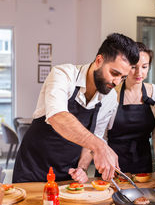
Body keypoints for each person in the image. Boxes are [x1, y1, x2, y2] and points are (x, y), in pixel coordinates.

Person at [12, 33, 139, 183]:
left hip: (67, 173)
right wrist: (101, 147)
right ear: (99, 61)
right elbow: (58, 116)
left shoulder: (110, 98)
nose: (117, 82)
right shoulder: (62, 75)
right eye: (114, 73)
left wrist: (82, 168)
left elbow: (94, 137)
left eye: (123, 77)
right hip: (32, 169)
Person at [107, 42, 155, 180]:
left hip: (143, 163)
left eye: (144, 67)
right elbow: (101, 135)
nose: (139, 73)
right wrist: (104, 160)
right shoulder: (111, 93)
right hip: (112, 165)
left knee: (142, 199)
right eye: (133, 67)